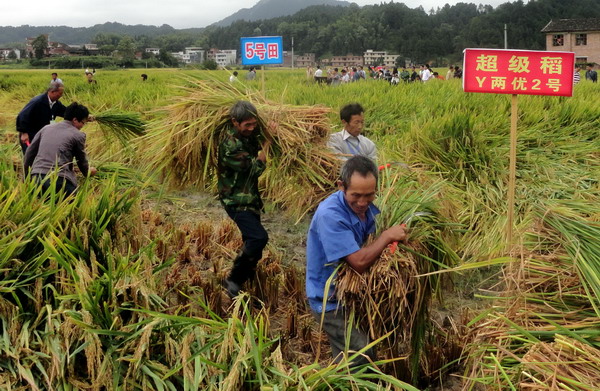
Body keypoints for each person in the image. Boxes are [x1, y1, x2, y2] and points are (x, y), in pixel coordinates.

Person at [305, 155, 408, 366]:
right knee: (361, 352)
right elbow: (359, 262)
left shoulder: (365, 207)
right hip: (330, 299)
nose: (362, 203)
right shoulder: (330, 215)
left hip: (351, 295)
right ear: (341, 186)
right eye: (356, 195)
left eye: (369, 195)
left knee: (347, 356)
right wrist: (387, 236)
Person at [219, 100, 273, 298]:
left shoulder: (246, 136)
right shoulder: (230, 145)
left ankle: (246, 280)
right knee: (259, 237)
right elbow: (254, 170)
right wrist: (268, 143)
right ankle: (233, 280)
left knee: (253, 244)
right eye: (247, 125)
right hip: (235, 200)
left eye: (254, 124)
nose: (251, 128)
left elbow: (255, 141)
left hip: (249, 198)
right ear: (235, 122)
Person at [24, 102, 97, 197]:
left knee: (42, 208)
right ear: (75, 120)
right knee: (74, 207)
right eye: (83, 123)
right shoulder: (78, 135)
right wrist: (88, 172)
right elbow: (81, 160)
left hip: (36, 178)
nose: (82, 126)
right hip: (58, 180)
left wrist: (27, 177)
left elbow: (29, 153)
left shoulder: (46, 128)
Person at [16, 81, 66, 154]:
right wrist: (24, 133)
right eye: (60, 93)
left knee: (40, 156)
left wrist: (82, 116)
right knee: (30, 156)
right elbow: (23, 116)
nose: (61, 95)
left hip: (42, 134)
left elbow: (66, 112)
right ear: (52, 92)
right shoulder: (38, 102)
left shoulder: (56, 104)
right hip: (30, 134)